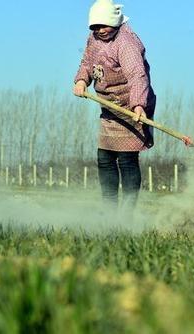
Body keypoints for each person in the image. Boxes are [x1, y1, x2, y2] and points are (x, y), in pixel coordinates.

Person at [73, 0, 156, 212]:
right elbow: (86, 63)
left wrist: (138, 105)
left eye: (103, 26)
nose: (99, 31)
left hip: (131, 107)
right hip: (109, 108)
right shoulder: (94, 39)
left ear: (114, 23)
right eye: (95, 27)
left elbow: (138, 76)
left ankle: (126, 214)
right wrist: (82, 80)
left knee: (127, 159)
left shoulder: (126, 43)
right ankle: (109, 211)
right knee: (105, 158)